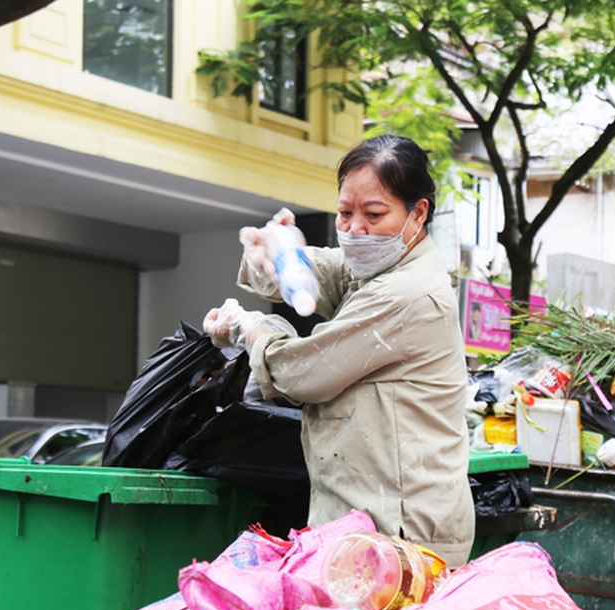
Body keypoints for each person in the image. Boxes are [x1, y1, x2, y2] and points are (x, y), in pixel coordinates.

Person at [203, 134, 474, 567]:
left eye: (373, 214)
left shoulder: (406, 292)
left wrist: (251, 327)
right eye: (344, 213)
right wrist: (275, 261)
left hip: (400, 534)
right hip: (371, 524)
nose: (355, 230)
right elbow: (334, 271)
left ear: (418, 212)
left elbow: (300, 375)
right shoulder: (387, 262)